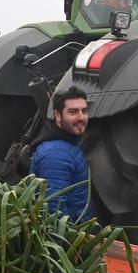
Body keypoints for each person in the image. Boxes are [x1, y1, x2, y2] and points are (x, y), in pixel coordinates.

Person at [30, 86, 94, 221]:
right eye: (73, 112)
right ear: (58, 115)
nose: (81, 117)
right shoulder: (56, 155)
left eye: (84, 111)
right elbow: (54, 211)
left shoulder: (66, 144)